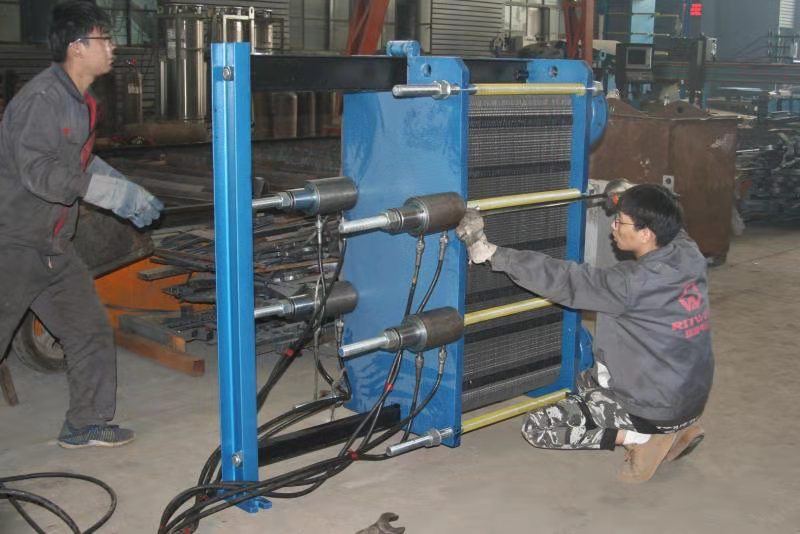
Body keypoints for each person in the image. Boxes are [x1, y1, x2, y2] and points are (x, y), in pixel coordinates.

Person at [455, 184, 714, 483]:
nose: (613, 226)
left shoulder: (629, 284)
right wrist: (629, 194)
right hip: (688, 396)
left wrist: (490, 253)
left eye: (620, 221)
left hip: (653, 406)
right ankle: (679, 428)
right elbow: (667, 216)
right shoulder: (688, 252)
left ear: (646, 234)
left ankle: (641, 438)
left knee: (539, 428)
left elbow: (565, 279)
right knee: (582, 381)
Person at [0, 0, 162, 448]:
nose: (112, 47)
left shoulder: (81, 100)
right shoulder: (41, 100)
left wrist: (123, 187)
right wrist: (105, 193)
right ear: (76, 47)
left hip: (54, 246)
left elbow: (78, 160)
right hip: (14, 245)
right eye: (103, 38)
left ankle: (84, 423)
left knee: (89, 330)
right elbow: (39, 172)